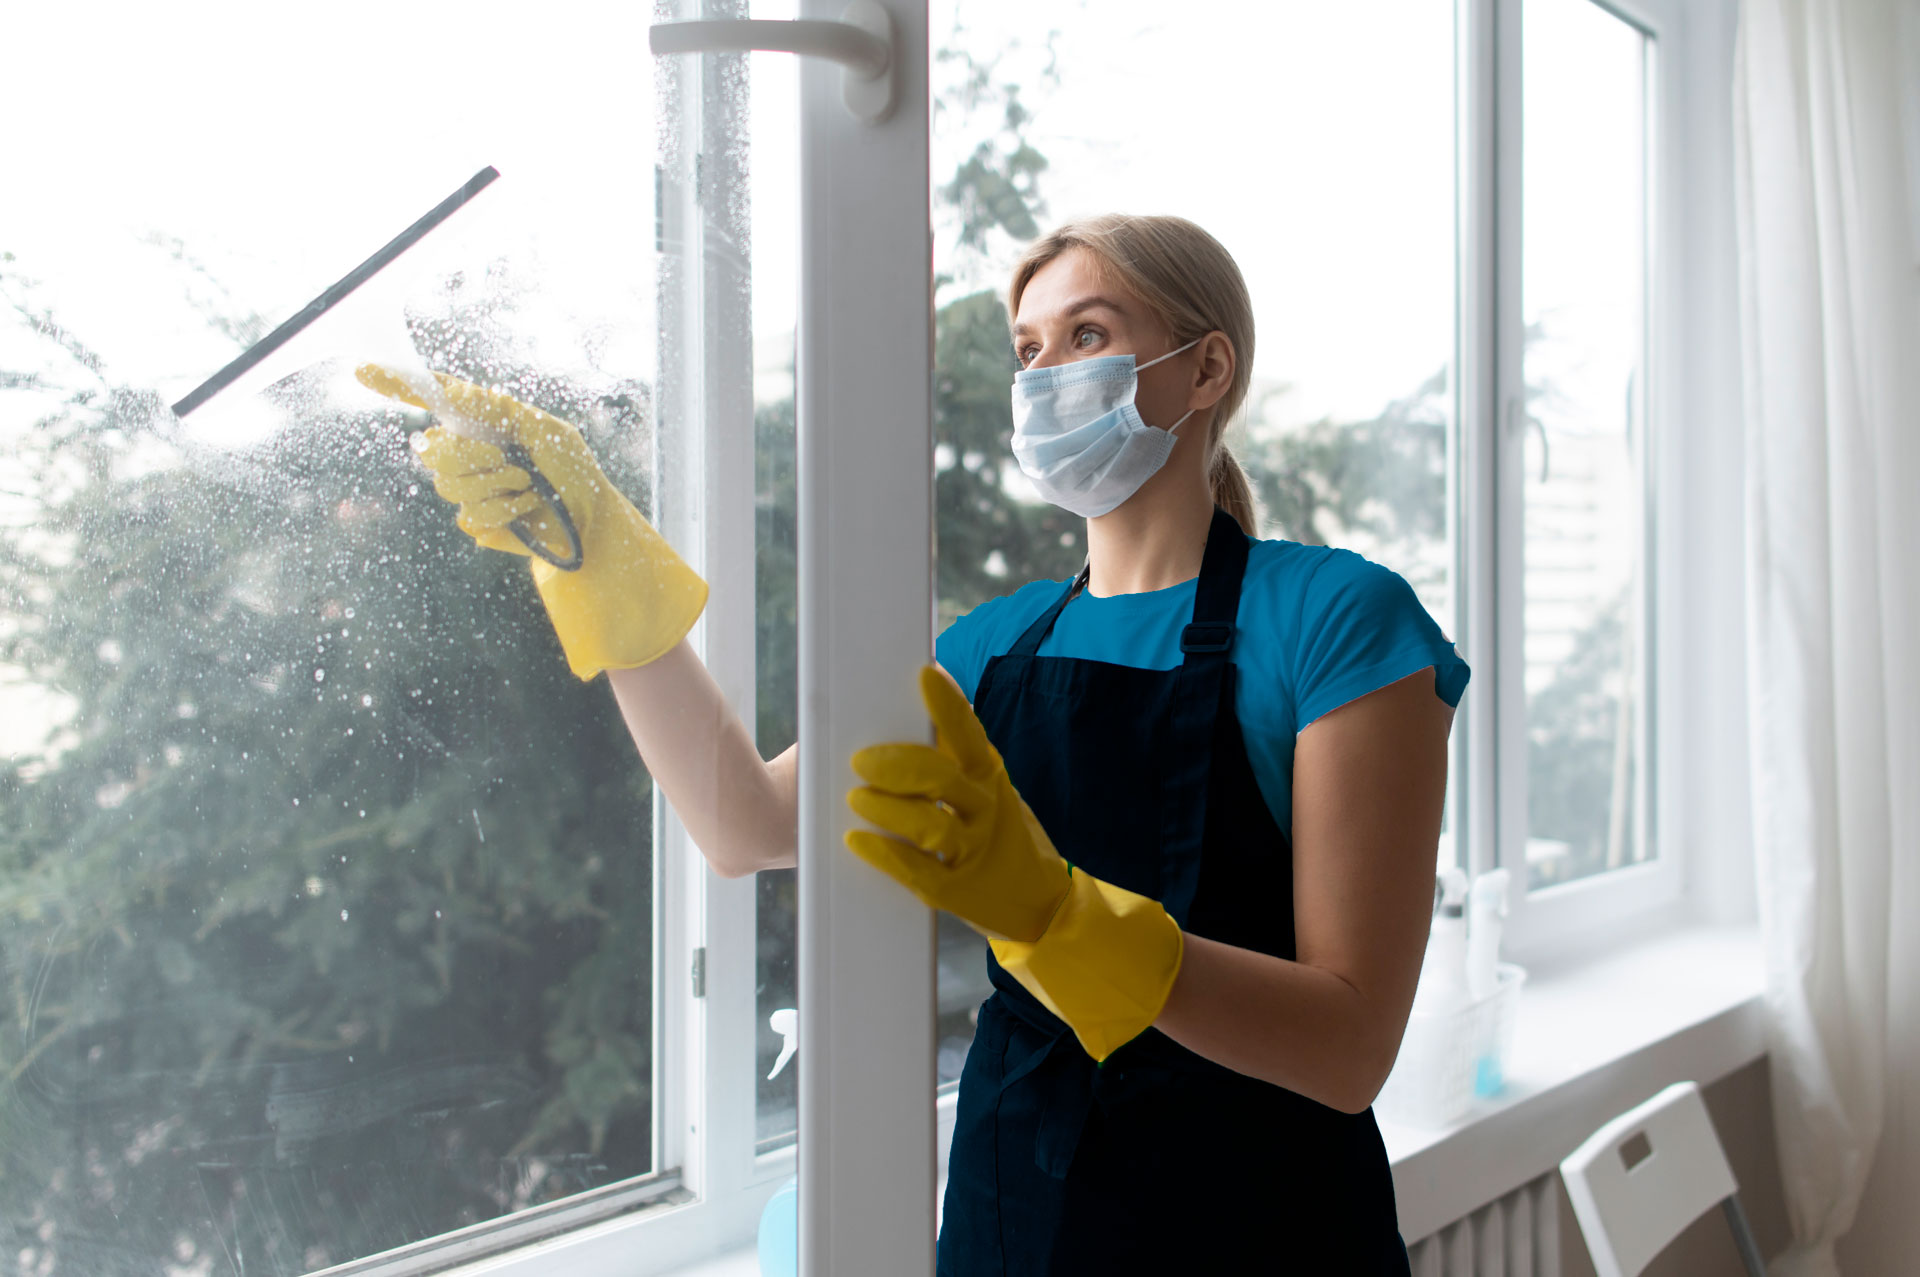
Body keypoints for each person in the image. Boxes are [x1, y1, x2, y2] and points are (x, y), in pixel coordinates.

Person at [361, 211, 1467, 1275]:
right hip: (1013, 1220)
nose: (1046, 376)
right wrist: (594, 554)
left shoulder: (1334, 617)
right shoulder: (993, 649)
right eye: (1028, 349)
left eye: (1089, 334)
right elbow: (743, 819)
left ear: (1207, 368)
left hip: (1260, 1227)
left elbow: (1349, 1044)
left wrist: (1057, 915)